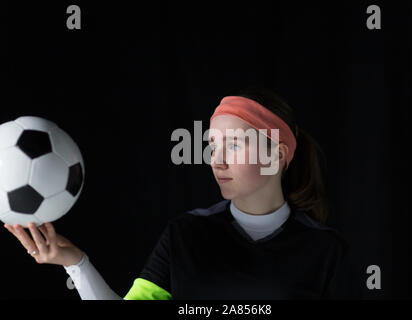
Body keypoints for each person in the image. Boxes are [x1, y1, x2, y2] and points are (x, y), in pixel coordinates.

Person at [3, 87, 360, 299]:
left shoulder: (326, 250)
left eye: (234, 145)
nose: (216, 160)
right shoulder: (185, 235)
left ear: (277, 156)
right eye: (211, 145)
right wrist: (76, 263)